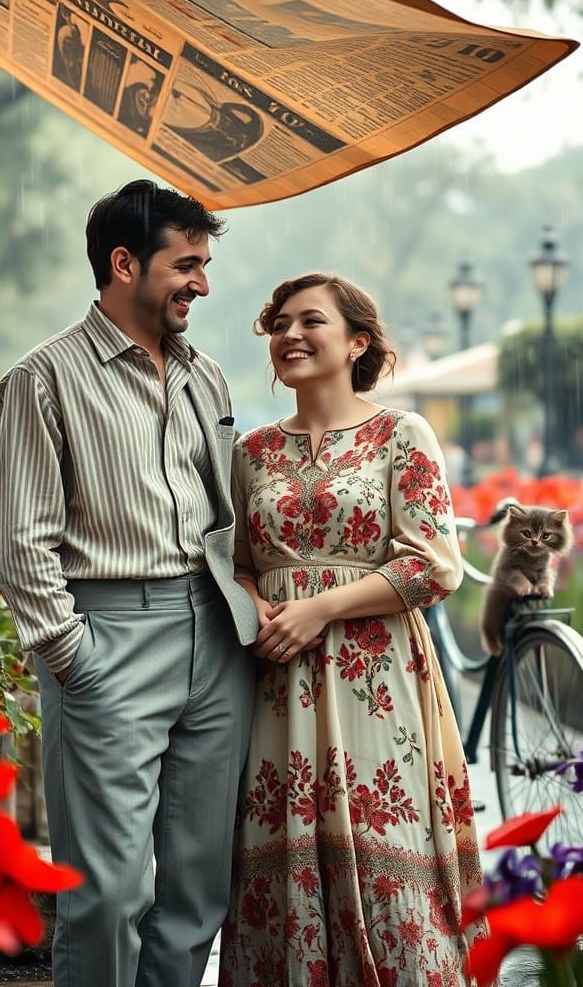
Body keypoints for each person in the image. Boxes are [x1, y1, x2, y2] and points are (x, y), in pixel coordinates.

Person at [0, 180, 258, 987]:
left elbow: (224, 510)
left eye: (205, 265)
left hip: (214, 639)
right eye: (185, 265)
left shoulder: (206, 376)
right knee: (107, 895)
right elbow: (20, 543)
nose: (201, 285)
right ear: (122, 263)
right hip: (108, 639)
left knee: (195, 892)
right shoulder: (43, 379)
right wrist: (74, 659)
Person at [219, 273, 483, 985]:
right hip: (277, 686)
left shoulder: (401, 433)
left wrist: (320, 607)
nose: (289, 335)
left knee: (385, 846)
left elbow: (436, 568)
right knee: (280, 853)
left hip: (378, 679)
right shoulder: (251, 452)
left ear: (357, 341)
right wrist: (259, 604)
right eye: (278, 324)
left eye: (310, 321)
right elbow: (237, 563)